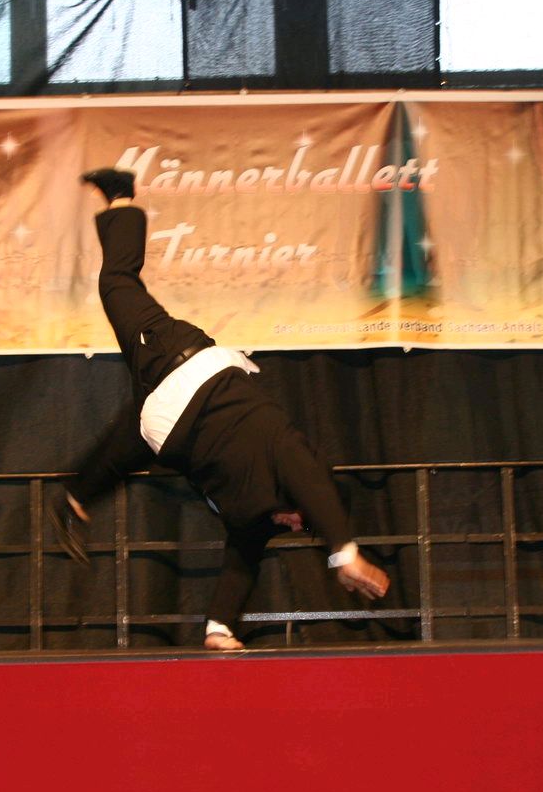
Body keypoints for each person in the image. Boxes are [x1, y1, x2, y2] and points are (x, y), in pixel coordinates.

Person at [52, 168, 389, 650]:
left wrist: (219, 629)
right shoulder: (285, 450)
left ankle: (73, 499)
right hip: (178, 360)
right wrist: (345, 553)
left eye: (301, 528)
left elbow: (241, 564)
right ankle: (121, 195)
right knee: (116, 283)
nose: (294, 524)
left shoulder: (258, 519)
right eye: (302, 518)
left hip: (162, 420)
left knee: (124, 447)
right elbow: (313, 482)